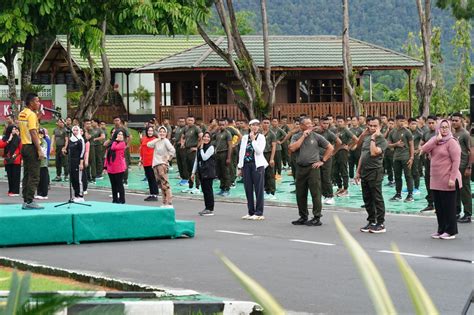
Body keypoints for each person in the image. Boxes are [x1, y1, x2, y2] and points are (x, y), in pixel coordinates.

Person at [421, 119, 462, 240]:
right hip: (436, 180)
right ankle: (441, 229)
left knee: (449, 207)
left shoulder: (452, 142)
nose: (444, 129)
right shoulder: (436, 141)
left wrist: (452, 178)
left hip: (448, 179)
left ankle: (450, 231)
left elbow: (456, 161)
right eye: (442, 127)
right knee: (439, 208)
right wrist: (435, 139)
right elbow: (424, 149)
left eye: (446, 127)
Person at [289, 117, 334, 226]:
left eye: (311, 123)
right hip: (300, 168)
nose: (310, 125)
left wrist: (322, 161)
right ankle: (303, 216)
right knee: (300, 193)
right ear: (301, 126)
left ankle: (317, 217)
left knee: (316, 193)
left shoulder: (317, 136)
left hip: (313, 168)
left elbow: (330, 147)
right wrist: (303, 136)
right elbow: (292, 148)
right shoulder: (296, 136)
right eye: (307, 124)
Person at [355, 117, 388, 233]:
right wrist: (358, 171)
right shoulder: (366, 138)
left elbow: (374, 153)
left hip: (375, 171)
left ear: (380, 127)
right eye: (370, 125)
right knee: (367, 198)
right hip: (364, 171)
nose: (372, 128)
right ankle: (371, 221)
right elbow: (362, 154)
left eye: (375, 126)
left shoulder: (382, 140)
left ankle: (380, 223)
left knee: (377, 197)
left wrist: (374, 137)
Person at [18, 92, 45, 209]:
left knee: (27, 174)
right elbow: (33, 132)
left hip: (24, 145)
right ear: (31, 102)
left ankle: (25, 200)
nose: (39, 103)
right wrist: (39, 149)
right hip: (32, 146)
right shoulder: (31, 115)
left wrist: (38, 115)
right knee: (34, 175)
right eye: (37, 101)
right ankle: (29, 201)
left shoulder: (22, 113)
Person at [237, 119, 267, 220]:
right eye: (252, 125)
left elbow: (259, 151)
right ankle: (251, 212)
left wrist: (253, 140)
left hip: (257, 165)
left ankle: (259, 212)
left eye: (257, 125)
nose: (255, 127)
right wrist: (240, 166)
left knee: (258, 189)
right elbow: (241, 152)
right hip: (246, 165)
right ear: (249, 126)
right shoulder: (245, 137)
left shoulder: (261, 137)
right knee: (248, 188)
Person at [388, 114, 414, 202]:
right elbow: (388, 145)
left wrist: (411, 158)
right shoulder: (392, 132)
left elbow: (411, 145)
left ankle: (410, 195)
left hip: (406, 157)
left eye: (403, 121)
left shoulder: (407, 132)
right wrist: (396, 144)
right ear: (396, 121)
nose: (402, 123)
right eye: (400, 121)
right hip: (396, 158)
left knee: (408, 176)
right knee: (397, 176)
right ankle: (398, 194)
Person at [148, 126, 176, 207]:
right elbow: (148, 144)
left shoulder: (166, 141)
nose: (162, 133)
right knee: (160, 184)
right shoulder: (157, 141)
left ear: (166, 133)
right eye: (160, 132)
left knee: (165, 183)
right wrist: (158, 139)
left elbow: (172, 150)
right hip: (155, 164)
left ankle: (169, 202)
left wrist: (168, 158)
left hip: (162, 164)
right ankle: (164, 201)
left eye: (164, 132)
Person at [451, 113, 472, 223]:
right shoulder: (454, 134)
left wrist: (469, 167)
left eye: (456, 120)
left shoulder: (465, 134)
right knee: (456, 191)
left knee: (465, 190)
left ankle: (468, 214)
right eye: (453, 120)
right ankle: (457, 212)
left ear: (461, 120)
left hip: (463, 167)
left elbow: (471, 151)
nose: (454, 122)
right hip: (455, 167)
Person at [316, 117, 340, 205]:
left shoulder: (329, 133)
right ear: (320, 123)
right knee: (318, 177)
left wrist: (333, 152)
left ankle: (330, 196)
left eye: (327, 123)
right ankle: (323, 195)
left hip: (326, 158)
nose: (326, 125)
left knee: (326, 178)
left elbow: (339, 142)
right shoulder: (315, 132)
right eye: (324, 123)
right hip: (316, 158)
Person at [191, 132, 216, 216]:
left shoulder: (211, 147)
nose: (206, 138)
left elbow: (205, 157)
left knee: (208, 190)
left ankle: (210, 208)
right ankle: (206, 207)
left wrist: (201, 149)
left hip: (208, 172)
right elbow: (196, 160)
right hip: (202, 172)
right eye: (204, 137)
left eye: (208, 137)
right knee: (204, 190)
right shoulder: (200, 147)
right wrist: (193, 172)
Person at [334, 116, 357, 196]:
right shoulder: (335, 130)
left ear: (344, 122)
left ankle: (346, 189)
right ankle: (340, 188)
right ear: (335, 122)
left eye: (341, 121)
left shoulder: (346, 130)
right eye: (338, 121)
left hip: (343, 152)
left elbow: (355, 139)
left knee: (343, 170)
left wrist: (349, 147)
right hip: (335, 152)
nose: (339, 123)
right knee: (335, 171)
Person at [180, 116, 203, 194]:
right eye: (189, 120)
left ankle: (197, 187)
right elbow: (182, 137)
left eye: (191, 120)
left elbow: (201, 137)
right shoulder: (186, 128)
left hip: (193, 151)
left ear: (194, 121)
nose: (190, 121)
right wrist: (182, 143)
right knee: (188, 169)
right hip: (187, 150)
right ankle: (190, 186)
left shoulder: (196, 128)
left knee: (195, 169)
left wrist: (197, 148)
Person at [420, 115, 437, 211]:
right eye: (429, 123)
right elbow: (422, 143)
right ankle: (430, 203)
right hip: (427, 161)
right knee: (428, 181)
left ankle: (438, 204)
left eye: (432, 123)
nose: (430, 125)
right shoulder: (426, 133)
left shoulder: (439, 133)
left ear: (436, 122)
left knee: (437, 183)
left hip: (438, 162)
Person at [0, 125, 22, 196]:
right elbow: (1, 145)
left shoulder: (18, 138)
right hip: (8, 159)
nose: (14, 130)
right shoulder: (5, 138)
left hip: (16, 159)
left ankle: (16, 191)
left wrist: (17, 155)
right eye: (13, 129)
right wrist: (9, 139)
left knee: (16, 176)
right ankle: (11, 190)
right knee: (10, 176)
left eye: (15, 129)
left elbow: (21, 149)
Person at [106, 130, 127, 204]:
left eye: (121, 134)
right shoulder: (111, 143)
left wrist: (115, 141)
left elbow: (113, 148)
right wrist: (105, 166)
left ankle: (122, 199)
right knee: (113, 184)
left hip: (119, 167)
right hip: (111, 167)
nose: (120, 136)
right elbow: (107, 154)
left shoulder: (122, 143)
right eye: (118, 134)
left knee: (119, 184)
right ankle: (115, 199)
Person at [213, 118, 233, 197]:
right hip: (218, 154)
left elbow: (230, 146)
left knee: (225, 172)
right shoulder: (218, 133)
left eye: (223, 125)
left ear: (226, 125)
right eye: (220, 125)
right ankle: (222, 188)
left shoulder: (227, 133)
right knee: (220, 172)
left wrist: (228, 158)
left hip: (224, 153)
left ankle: (227, 189)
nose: (221, 126)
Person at [66, 125, 85, 202]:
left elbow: (82, 152)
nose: (75, 132)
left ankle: (80, 195)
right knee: (73, 178)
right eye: (74, 130)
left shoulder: (80, 140)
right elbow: (68, 150)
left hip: (77, 161)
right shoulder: (70, 140)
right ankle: (75, 194)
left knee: (78, 179)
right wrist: (65, 151)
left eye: (77, 130)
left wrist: (81, 163)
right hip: (71, 161)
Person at [140, 126, 159, 201]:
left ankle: (155, 194)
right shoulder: (144, 139)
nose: (150, 132)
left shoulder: (155, 140)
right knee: (149, 179)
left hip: (152, 162)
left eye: (151, 131)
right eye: (148, 131)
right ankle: (151, 194)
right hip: (145, 161)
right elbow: (142, 149)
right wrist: (141, 159)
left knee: (153, 178)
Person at [262, 118, 277, 199]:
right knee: (262, 173)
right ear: (262, 123)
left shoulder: (272, 134)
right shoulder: (259, 133)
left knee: (270, 173)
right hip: (260, 155)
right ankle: (265, 189)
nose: (266, 124)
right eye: (264, 122)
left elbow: (274, 147)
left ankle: (271, 191)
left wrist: (272, 159)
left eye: (267, 123)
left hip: (268, 154)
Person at [408, 118, 423, 193]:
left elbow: (424, 140)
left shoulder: (418, 132)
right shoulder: (407, 132)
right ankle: (410, 186)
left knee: (415, 171)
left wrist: (419, 149)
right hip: (407, 154)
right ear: (409, 125)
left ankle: (416, 187)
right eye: (412, 124)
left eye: (415, 124)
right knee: (408, 172)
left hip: (415, 155)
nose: (414, 125)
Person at [35, 128, 50, 200]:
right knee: (39, 179)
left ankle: (44, 194)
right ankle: (39, 193)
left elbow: (43, 152)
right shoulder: (37, 142)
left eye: (41, 133)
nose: (40, 135)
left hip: (43, 163)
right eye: (39, 133)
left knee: (44, 179)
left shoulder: (44, 142)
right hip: (37, 164)